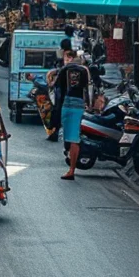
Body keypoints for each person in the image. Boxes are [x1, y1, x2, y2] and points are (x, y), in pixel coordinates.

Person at [57, 50, 92, 180]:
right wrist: (89, 104)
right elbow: (89, 89)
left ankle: (71, 170)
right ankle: (71, 167)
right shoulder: (85, 71)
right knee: (73, 137)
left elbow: (57, 89)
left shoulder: (64, 70)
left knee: (72, 139)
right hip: (80, 104)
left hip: (68, 104)